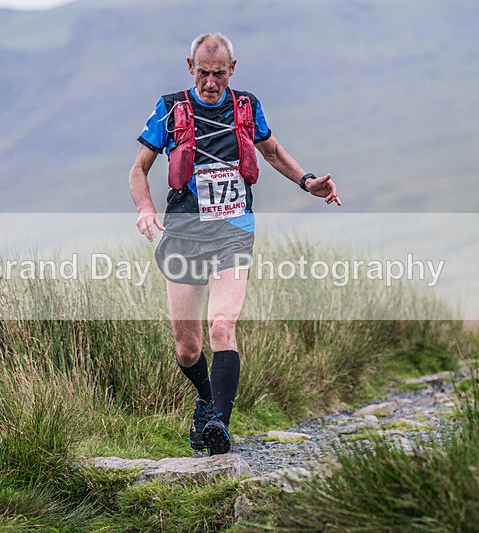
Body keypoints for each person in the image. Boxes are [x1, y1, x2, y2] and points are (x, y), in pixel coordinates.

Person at [128, 32, 341, 455]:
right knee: (187, 349)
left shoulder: (247, 106)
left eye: (219, 74)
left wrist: (307, 181)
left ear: (233, 69)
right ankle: (206, 399)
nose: (211, 82)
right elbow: (139, 168)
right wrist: (145, 207)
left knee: (222, 325)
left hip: (234, 232)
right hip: (185, 233)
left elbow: (273, 152)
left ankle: (220, 426)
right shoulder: (170, 108)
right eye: (204, 74)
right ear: (190, 68)